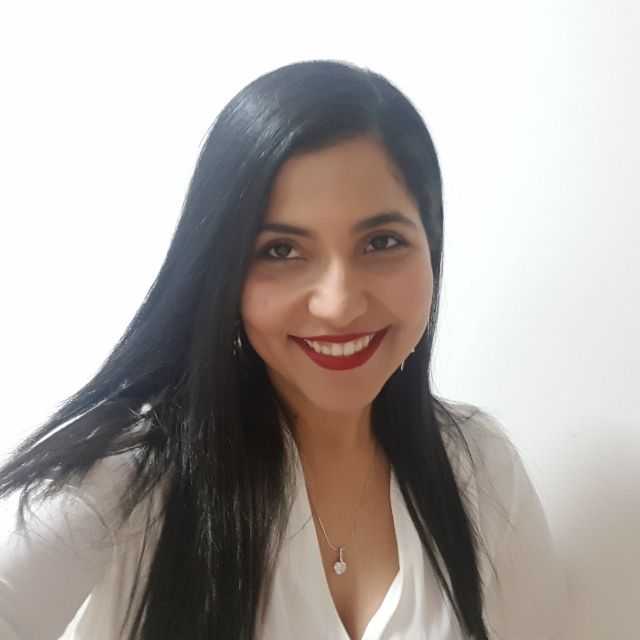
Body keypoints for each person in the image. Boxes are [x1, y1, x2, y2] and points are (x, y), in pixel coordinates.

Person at [0, 59, 568, 640]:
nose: (338, 304)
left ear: (432, 245)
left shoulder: (479, 466)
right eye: (280, 251)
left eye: (381, 241)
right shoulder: (131, 470)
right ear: (223, 271)